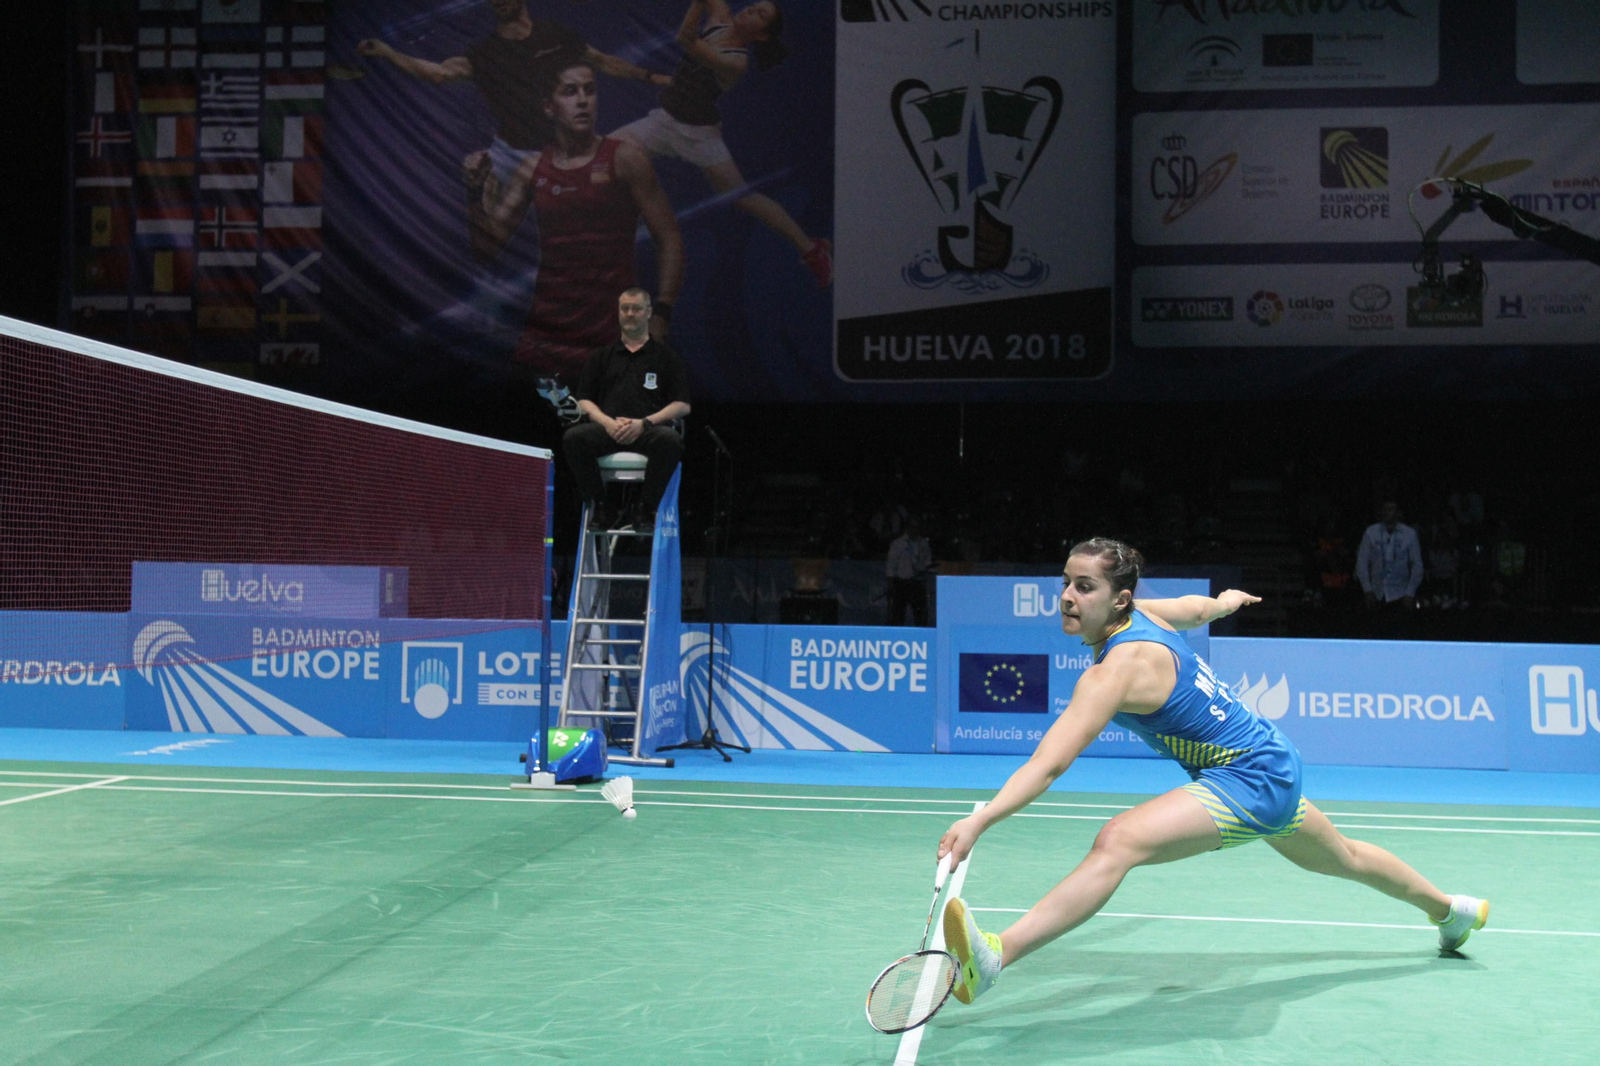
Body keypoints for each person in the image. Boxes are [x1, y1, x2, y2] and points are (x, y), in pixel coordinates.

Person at [934, 537, 1489, 1009]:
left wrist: (980, 821)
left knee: (1118, 840)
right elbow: (1193, 609)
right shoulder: (1143, 616)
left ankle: (997, 957)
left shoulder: (1114, 671)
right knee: (1342, 856)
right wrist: (1222, 603)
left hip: (1249, 775)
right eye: (1066, 583)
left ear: (1119, 598)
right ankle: (1451, 912)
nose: (1067, 598)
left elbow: (1049, 763)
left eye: (1084, 587)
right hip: (1268, 760)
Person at [466, 60, 684, 420]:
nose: (583, 100)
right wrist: (474, 193)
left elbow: (670, 238)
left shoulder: (625, 159)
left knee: (604, 456)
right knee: (530, 447)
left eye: (589, 90)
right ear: (549, 106)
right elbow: (486, 248)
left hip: (612, 341)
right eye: (570, 91)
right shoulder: (532, 169)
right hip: (545, 340)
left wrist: (661, 313)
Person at [612, 0, 833, 287]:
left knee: (742, 197)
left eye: (760, 14)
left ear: (762, 35)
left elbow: (685, 39)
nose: (751, 10)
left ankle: (812, 250)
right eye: (754, 6)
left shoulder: (736, 62)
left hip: (699, 136)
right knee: (608, 151)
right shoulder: (720, 17)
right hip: (664, 123)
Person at [358, 0, 670, 187]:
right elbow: (439, 73)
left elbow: (603, 61)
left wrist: (649, 75)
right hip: (513, 156)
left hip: (565, 153)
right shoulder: (485, 53)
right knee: (497, 233)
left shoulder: (556, 35)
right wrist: (387, 52)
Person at [563, 288, 691, 531]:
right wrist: (608, 423)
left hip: (646, 431)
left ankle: (645, 508)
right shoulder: (602, 357)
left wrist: (644, 423)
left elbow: (682, 405)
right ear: (619, 313)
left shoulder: (666, 357)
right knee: (574, 438)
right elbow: (584, 401)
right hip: (610, 431)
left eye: (637, 309)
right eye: (625, 309)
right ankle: (601, 504)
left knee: (671, 440)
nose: (630, 313)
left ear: (648, 313)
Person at [1355, 500, 1424, 626]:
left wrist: (1410, 592)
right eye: (1385, 509)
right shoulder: (1371, 533)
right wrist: (1367, 589)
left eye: (1391, 509)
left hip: (1401, 594)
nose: (1388, 512)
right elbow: (1362, 563)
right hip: (1376, 594)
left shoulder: (1409, 534)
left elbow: (1417, 565)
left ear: (1398, 513)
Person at [885, 517, 932, 626]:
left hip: (918, 581)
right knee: (898, 614)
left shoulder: (923, 543)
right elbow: (891, 564)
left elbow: (928, 559)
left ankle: (922, 637)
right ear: (907, 528)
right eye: (912, 527)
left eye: (917, 527)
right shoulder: (898, 543)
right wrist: (891, 583)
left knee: (921, 614)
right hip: (902, 582)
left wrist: (924, 566)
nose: (915, 529)